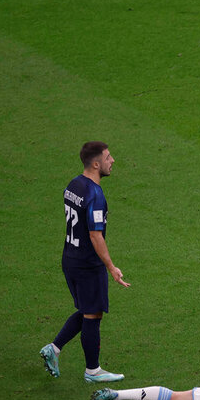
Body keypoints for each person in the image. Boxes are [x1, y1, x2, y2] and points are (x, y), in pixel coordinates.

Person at [40, 141, 130, 383]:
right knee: (93, 314)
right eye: (109, 157)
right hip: (88, 264)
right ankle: (93, 370)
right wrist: (111, 267)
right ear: (96, 163)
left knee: (87, 310)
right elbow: (95, 234)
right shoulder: (95, 194)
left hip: (69, 258)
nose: (113, 161)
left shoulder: (73, 185)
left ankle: (54, 348)